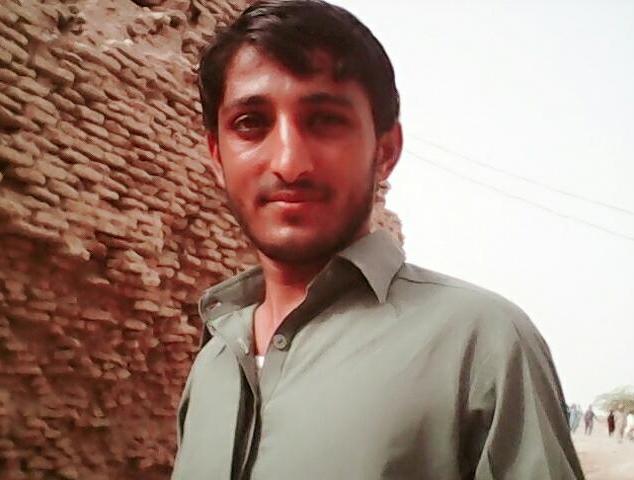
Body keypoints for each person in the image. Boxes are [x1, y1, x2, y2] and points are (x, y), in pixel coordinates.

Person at [171, 1, 584, 478]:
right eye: (250, 124)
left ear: (385, 151)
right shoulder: (214, 363)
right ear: (217, 156)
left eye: (325, 121)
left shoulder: (482, 343)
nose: (289, 163)